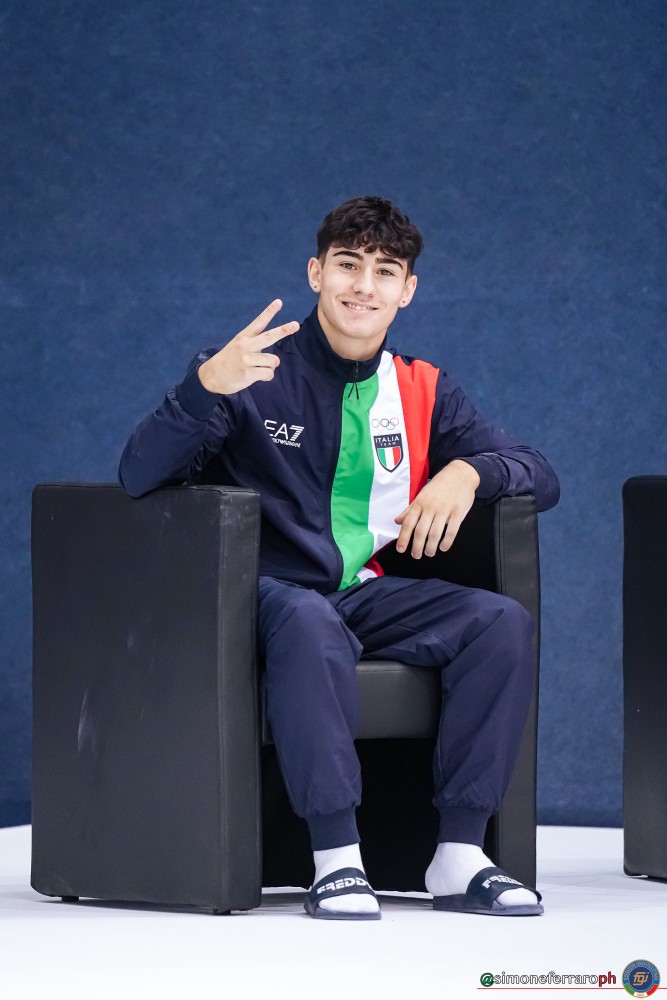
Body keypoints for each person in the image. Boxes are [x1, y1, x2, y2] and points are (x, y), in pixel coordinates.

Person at [119, 195, 559, 921]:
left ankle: (458, 855)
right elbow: (138, 475)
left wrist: (468, 472)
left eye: (385, 271)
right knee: (308, 618)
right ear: (316, 273)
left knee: (499, 623)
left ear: (406, 291)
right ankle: (336, 859)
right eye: (348, 264)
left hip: (360, 593)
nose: (364, 285)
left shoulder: (421, 387)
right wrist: (201, 390)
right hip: (262, 593)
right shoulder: (246, 370)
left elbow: (539, 472)